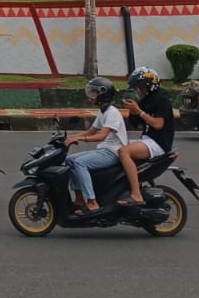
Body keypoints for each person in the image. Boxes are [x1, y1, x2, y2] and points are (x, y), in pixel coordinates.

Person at [65, 76, 128, 214]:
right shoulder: (103, 111)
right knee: (70, 160)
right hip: (104, 151)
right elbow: (91, 131)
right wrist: (69, 137)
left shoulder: (112, 113)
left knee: (80, 163)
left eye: (94, 92)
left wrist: (81, 140)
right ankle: (80, 198)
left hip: (113, 153)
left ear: (103, 94)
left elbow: (101, 135)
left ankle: (92, 202)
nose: (91, 95)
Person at [115, 67, 175, 208]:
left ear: (149, 85)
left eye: (140, 87)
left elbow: (158, 124)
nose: (139, 90)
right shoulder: (145, 100)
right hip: (147, 139)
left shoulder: (162, 98)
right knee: (116, 148)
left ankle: (136, 194)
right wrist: (133, 111)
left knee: (124, 152)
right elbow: (136, 125)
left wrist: (140, 112)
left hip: (159, 143)